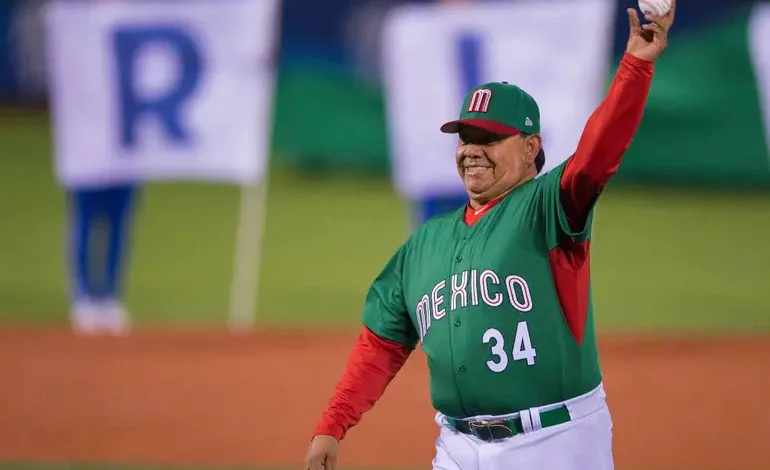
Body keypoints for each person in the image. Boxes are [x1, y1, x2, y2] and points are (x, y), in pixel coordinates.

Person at [303, 3, 675, 470]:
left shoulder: (549, 208)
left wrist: (636, 64)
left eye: (489, 138)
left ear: (530, 146)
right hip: (456, 448)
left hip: (555, 443)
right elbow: (381, 343)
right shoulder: (424, 244)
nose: (472, 151)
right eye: (466, 138)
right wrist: (331, 425)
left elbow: (600, 150)